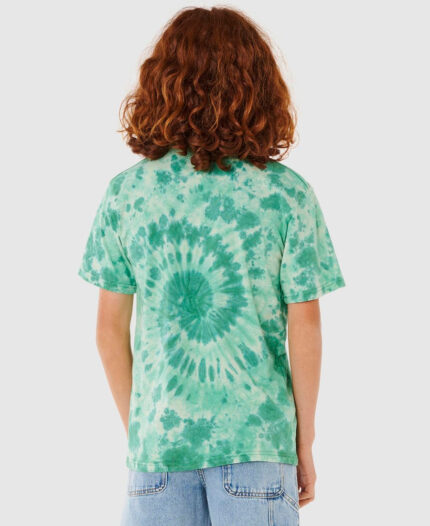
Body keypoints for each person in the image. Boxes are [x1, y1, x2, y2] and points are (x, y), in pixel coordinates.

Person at [78, 6, 345, 526]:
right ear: (258, 87)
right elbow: (306, 326)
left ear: (162, 85)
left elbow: (108, 330)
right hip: (258, 445)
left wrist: (144, 431)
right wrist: (303, 441)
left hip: (158, 451)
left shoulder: (128, 194)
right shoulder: (286, 195)